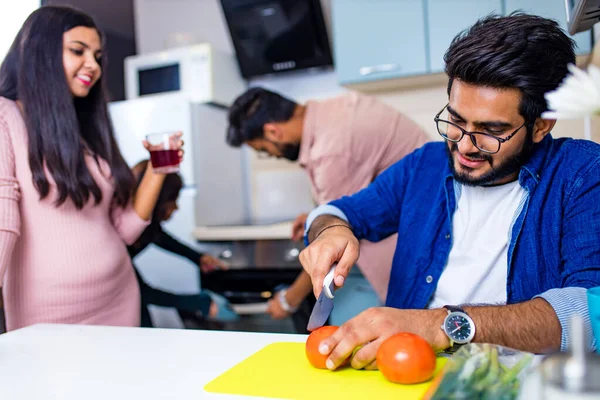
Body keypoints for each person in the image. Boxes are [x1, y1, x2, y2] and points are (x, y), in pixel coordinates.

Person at [300, 13, 600, 370]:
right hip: (405, 372)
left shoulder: (582, 172)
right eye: (456, 120)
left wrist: (442, 324)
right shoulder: (425, 165)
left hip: (517, 382)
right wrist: (331, 231)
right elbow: (337, 212)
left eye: (491, 130)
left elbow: (591, 311)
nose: (464, 146)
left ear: (540, 126)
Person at [0, 6, 183, 331]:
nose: (93, 65)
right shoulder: (6, 117)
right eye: (78, 51)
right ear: (39, 53)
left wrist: (157, 170)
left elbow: (124, 230)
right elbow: (3, 222)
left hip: (118, 296)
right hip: (47, 313)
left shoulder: (85, 129)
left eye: (97, 56)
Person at [226, 87, 429, 327]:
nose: (270, 154)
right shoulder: (330, 114)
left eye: (263, 150)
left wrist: (289, 300)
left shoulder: (331, 151)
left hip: (417, 236)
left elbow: (334, 244)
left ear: (273, 132)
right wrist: (317, 216)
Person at [128, 160, 237, 327]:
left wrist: (198, 258)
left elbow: (157, 236)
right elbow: (140, 293)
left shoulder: (144, 226)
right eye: (173, 200)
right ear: (157, 201)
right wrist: (200, 303)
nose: (176, 207)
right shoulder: (119, 239)